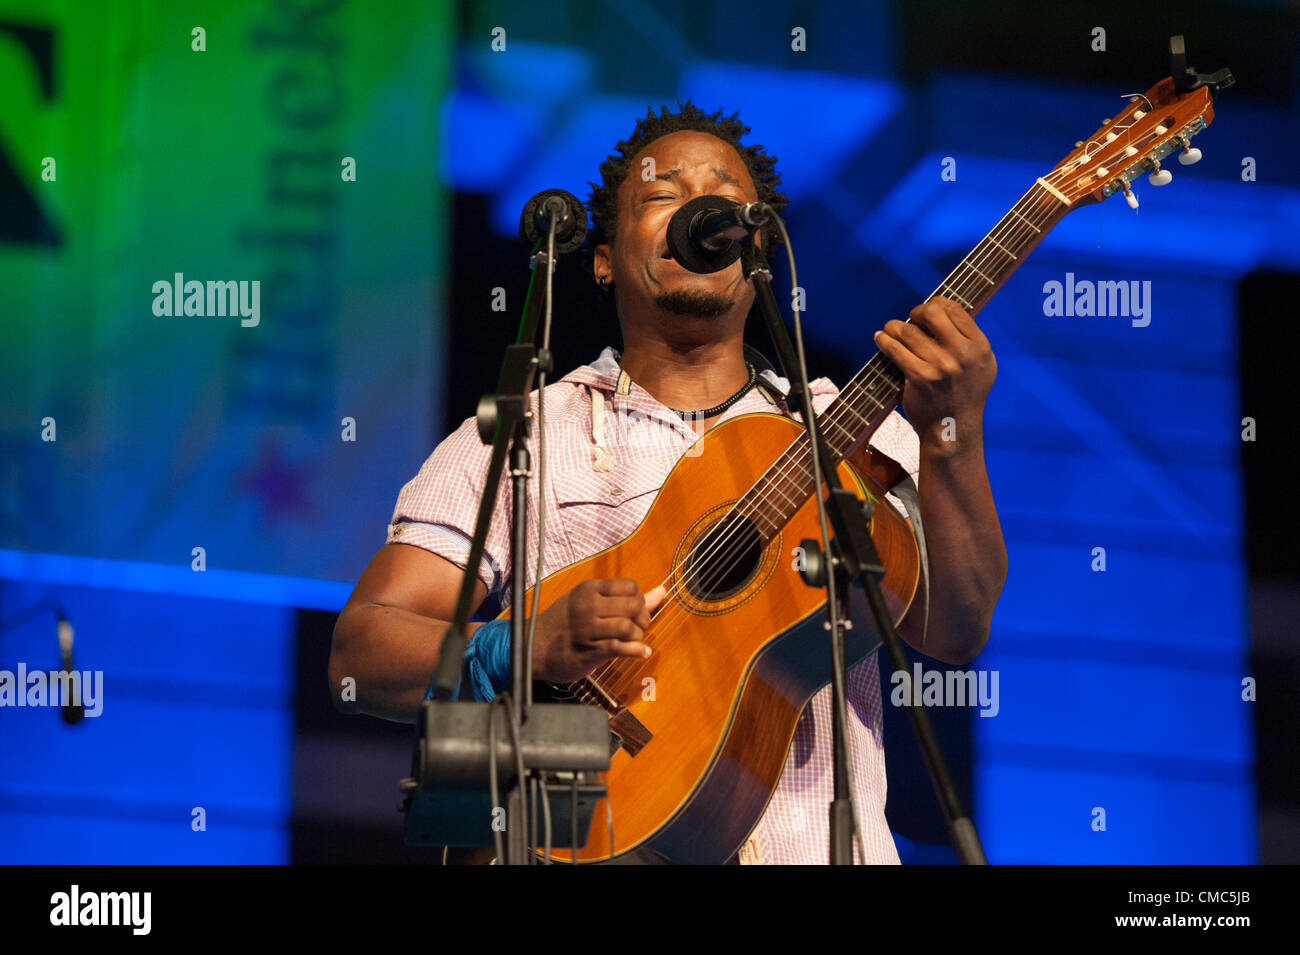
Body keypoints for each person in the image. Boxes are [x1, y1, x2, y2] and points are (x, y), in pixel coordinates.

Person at [329, 101, 1007, 864]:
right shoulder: (520, 432)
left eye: (724, 196)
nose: (701, 209)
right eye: (663, 196)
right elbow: (362, 653)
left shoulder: (842, 428)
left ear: (756, 249)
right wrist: (519, 645)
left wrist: (955, 433)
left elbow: (954, 628)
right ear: (603, 258)